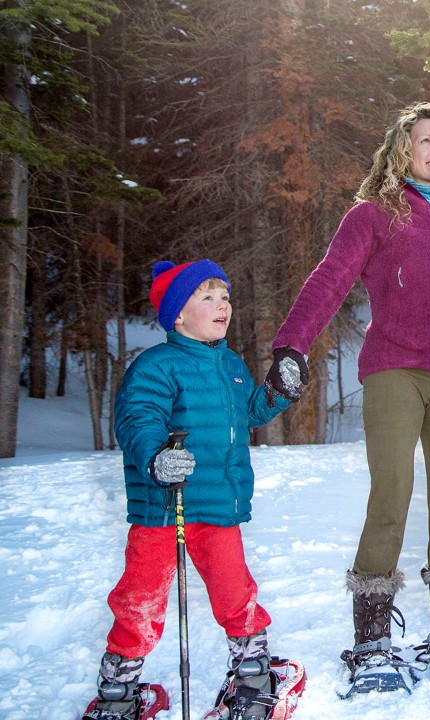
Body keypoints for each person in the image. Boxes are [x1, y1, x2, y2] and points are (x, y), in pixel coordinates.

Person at [267, 102, 430, 695]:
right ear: (400, 152)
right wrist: (291, 347)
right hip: (394, 372)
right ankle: (373, 637)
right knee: (392, 494)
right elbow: (329, 279)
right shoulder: (374, 216)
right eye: (424, 141)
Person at [86, 259, 299, 720]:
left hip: (218, 507)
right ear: (177, 316)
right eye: (207, 297)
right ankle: (119, 690)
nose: (222, 305)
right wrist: (157, 457)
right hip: (164, 507)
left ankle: (252, 673)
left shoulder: (232, 364)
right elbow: (137, 419)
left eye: (224, 297)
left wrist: (276, 393)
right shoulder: (156, 365)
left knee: (234, 591)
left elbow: (249, 415)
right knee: (140, 598)